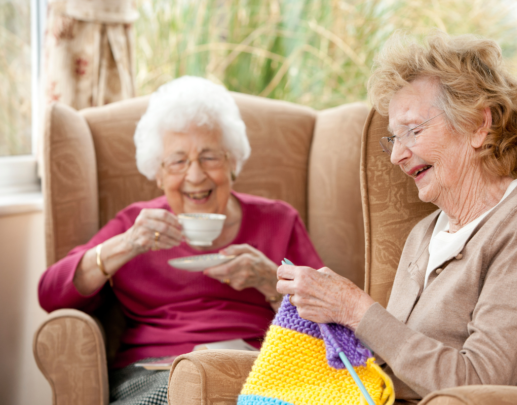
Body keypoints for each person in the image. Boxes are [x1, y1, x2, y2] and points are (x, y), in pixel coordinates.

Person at [276, 32, 517, 402]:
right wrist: (329, 312)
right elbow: (393, 366)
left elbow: (479, 383)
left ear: (477, 126)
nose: (396, 156)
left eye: (413, 130)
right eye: (393, 138)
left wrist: (356, 309)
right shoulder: (423, 234)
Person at [38, 76, 323, 405]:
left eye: (210, 157)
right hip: (155, 374)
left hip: (256, 371)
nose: (195, 175)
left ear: (232, 164)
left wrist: (270, 283)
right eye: (177, 161)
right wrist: (128, 243)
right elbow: (50, 294)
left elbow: (328, 325)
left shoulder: (278, 220)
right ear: (157, 173)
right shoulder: (136, 224)